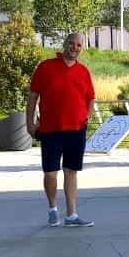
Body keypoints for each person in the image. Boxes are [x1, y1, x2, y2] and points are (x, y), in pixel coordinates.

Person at [27, 32, 95, 227]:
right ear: (65, 44)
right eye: (72, 43)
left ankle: (72, 215)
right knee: (50, 173)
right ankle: (53, 209)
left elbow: (91, 98)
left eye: (79, 45)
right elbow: (33, 97)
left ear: (82, 49)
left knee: (71, 171)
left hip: (76, 129)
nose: (75, 47)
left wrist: (87, 117)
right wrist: (29, 123)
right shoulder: (46, 67)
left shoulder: (83, 71)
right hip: (50, 129)